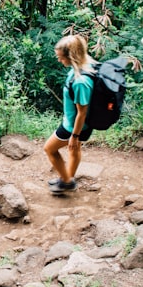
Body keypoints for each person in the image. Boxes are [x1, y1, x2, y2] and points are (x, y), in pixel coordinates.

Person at [44, 34, 96, 194]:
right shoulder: (86, 65)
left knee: (49, 149)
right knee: (74, 150)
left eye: (61, 57)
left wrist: (74, 135)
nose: (59, 60)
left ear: (72, 56)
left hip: (72, 126)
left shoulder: (81, 81)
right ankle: (68, 180)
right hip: (79, 124)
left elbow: (82, 112)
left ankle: (66, 181)